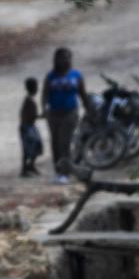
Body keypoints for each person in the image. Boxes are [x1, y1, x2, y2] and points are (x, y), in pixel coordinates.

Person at [41, 48, 85, 183]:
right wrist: (44, 109)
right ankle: (58, 171)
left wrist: (89, 108)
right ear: (56, 60)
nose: (65, 60)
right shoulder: (51, 76)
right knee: (55, 143)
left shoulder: (76, 75)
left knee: (64, 143)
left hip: (70, 113)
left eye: (68, 57)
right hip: (54, 114)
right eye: (62, 58)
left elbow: (83, 93)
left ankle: (65, 173)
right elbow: (45, 94)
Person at [18, 78, 43, 177]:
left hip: (29, 127)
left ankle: (30, 166)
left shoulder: (28, 100)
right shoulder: (29, 101)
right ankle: (25, 169)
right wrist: (43, 116)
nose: (37, 89)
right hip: (27, 127)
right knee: (28, 149)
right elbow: (31, 115)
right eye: (36, 87)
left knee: (36, 146)